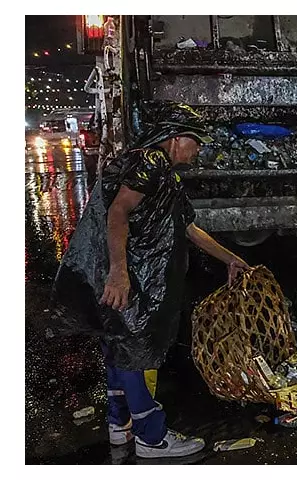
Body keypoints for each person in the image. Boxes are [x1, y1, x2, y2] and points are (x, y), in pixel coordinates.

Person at [52, 103, 250, 458]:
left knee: (118, 345)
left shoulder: (163, 173)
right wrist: (119, 273)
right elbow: (118, 211)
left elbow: (188, 228)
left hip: (130, 275)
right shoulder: (151, 163)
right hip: (129, 277)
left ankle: (120, 425)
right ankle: (152, 438)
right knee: (134, 352)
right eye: (195, 141)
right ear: (174, 138)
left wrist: (230, 258)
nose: (198, 149)